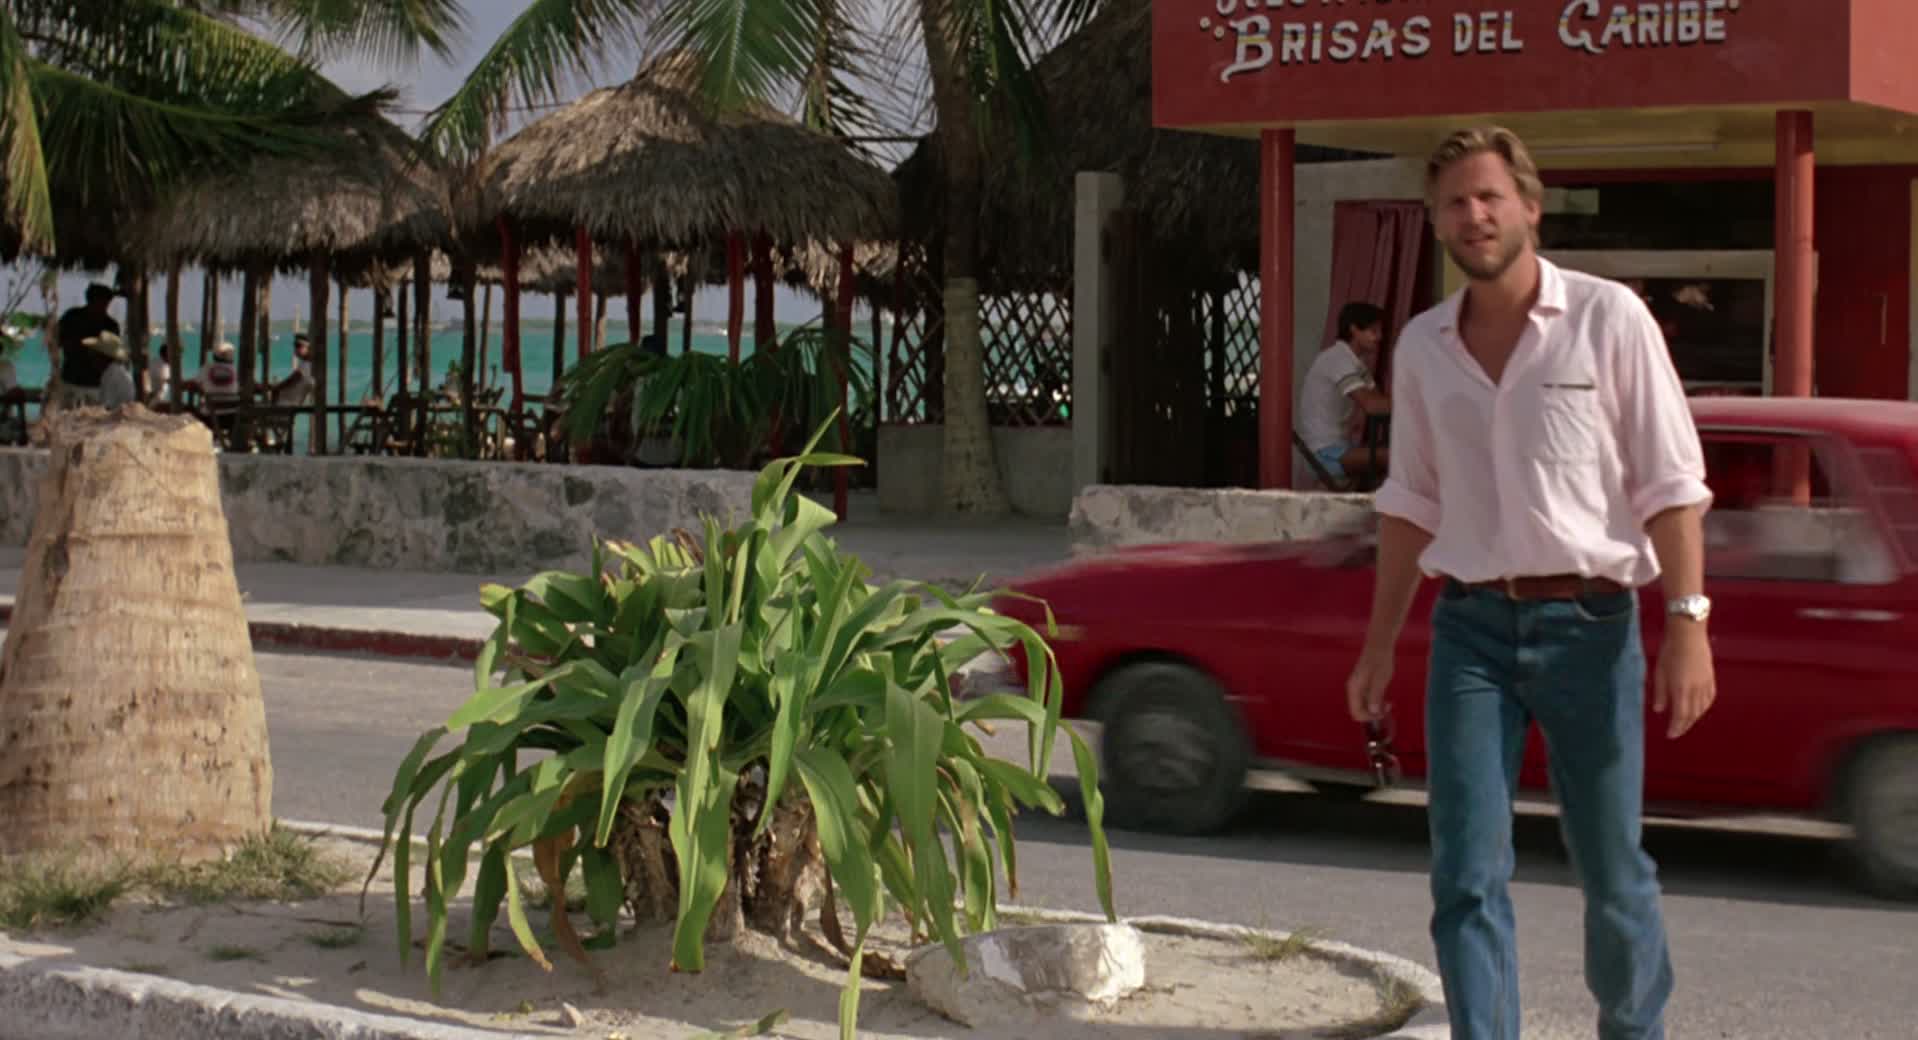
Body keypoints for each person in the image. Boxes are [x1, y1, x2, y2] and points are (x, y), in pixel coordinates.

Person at [1346, 126, 1716, 1040]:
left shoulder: (1608, 319)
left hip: (1593, 627)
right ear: (1437, 222)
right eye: (1455, 203)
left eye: (1489, 197)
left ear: (1530, 208)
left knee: (1612, 870)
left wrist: (1689, 624)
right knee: (1465, 874)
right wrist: (1379, 646)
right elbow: (1412, 502)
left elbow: (1670, 485)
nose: (1474, 216)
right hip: (1471, 631)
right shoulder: (1424, 347)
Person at [1297, 301, 1391, 483]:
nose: (1379, 337)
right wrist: (1416, 403)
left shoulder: (1354, 361)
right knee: (1396, 457)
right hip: (1323, 453)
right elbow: (1372, 405)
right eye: (1373, 331)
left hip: (1339, 446)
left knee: (1397, 454)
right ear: (1354, 329)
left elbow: (1379, 401)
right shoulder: (1338, 359)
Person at [54, 283, 121, 408]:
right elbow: (57, 340)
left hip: (95, 384)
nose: (105, 307)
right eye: (102, 303)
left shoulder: (110, 325)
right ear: (92, 301)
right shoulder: (72, 317)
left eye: (106, 304)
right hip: (71, 380)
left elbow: (110, 358)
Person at [271, 333, 315, 405]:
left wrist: (273, 388)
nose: (295, 349)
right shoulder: (304, 365)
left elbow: (287, 382)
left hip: (285, 405)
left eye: (298, 345)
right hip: (284, 403)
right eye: (294, 345)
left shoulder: (306, 367)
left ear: (309, 348)